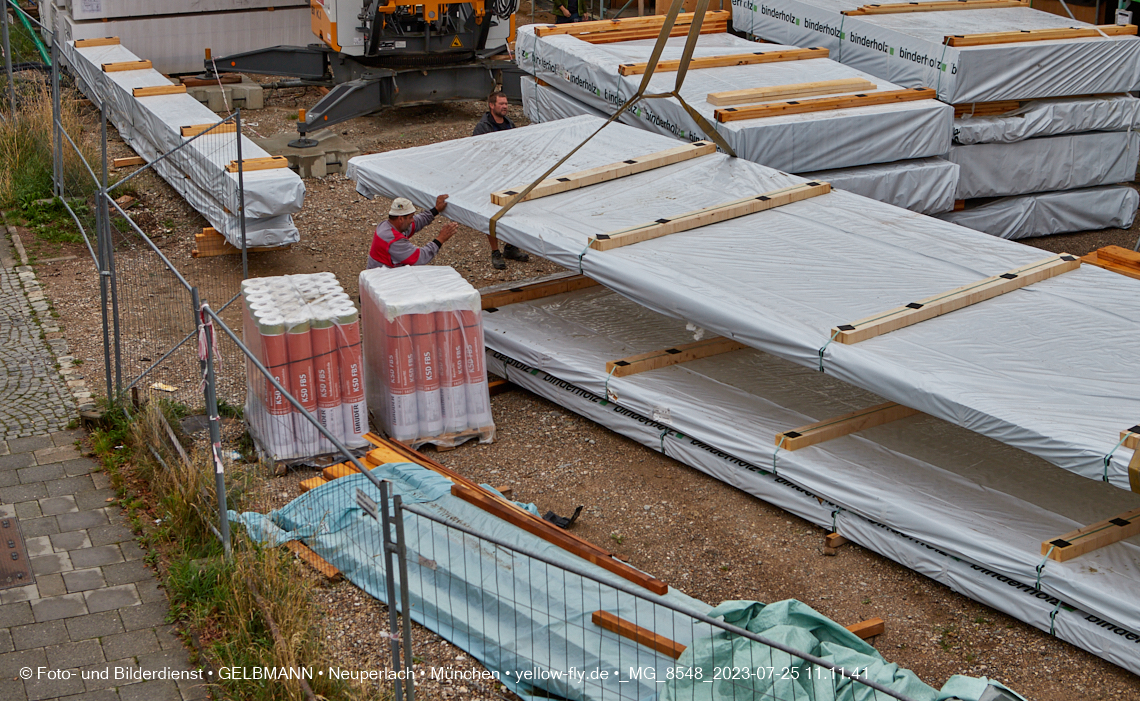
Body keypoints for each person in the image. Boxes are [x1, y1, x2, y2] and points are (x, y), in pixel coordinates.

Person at [473, 90, 531, 270]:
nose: (505, 107)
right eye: (501, 104)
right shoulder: (483, 127)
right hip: (491, 178)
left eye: (506, 104)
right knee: (492, 216)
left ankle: (511, 247)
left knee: (514, 211)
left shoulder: (509, 124)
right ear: (492, 105)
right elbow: (475, 152)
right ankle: (495, 252)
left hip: (509, 176)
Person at [366, 195, 459, 269]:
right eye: (410, 217)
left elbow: (417, 222)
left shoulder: (388, 225)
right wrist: (441, 239)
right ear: (401, 219)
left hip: (379, 275)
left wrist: (436, 210)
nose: (412, 220)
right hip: (381, 281)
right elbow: (419, 258)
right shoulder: (393, 239)